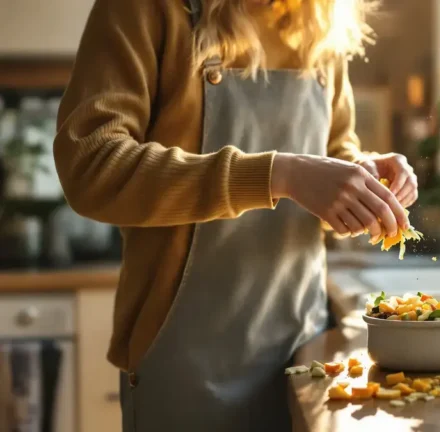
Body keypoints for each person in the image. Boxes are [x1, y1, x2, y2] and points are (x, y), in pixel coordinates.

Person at [53, 0, 417, 430]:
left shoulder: (319, 19)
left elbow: (333, 151)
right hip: (184, 364)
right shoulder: (146, 9)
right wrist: (279, 174)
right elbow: (93, 166)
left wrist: (360, 178)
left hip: (305, 351)